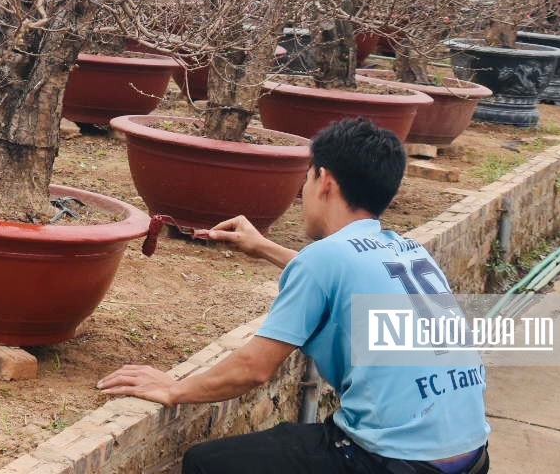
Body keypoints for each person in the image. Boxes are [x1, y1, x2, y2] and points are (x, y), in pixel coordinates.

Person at [98, 117, 489, 473]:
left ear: (326, 182)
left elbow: (253, 370)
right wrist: (264, 247)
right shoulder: (408, 251)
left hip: (391, 462)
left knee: (207, 464)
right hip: (471, 456)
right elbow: (340, 276)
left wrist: (172, 389)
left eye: (307, 177)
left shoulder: (325, 259)